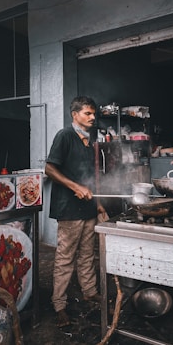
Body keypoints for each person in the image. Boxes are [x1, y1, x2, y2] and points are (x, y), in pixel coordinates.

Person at [45, 96, 107, 328]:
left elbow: (91, 177)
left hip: (88, 208)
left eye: (93, 114)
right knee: (65, 258)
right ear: (75, 115)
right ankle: (59, 304)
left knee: (87, 254)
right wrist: (75, 187)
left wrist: (98, 203)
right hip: (69, 209)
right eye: (88, 113)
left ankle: (89, 291)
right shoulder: (65, 136)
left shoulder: (89, 141)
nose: (93, 117)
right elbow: (50, 169)